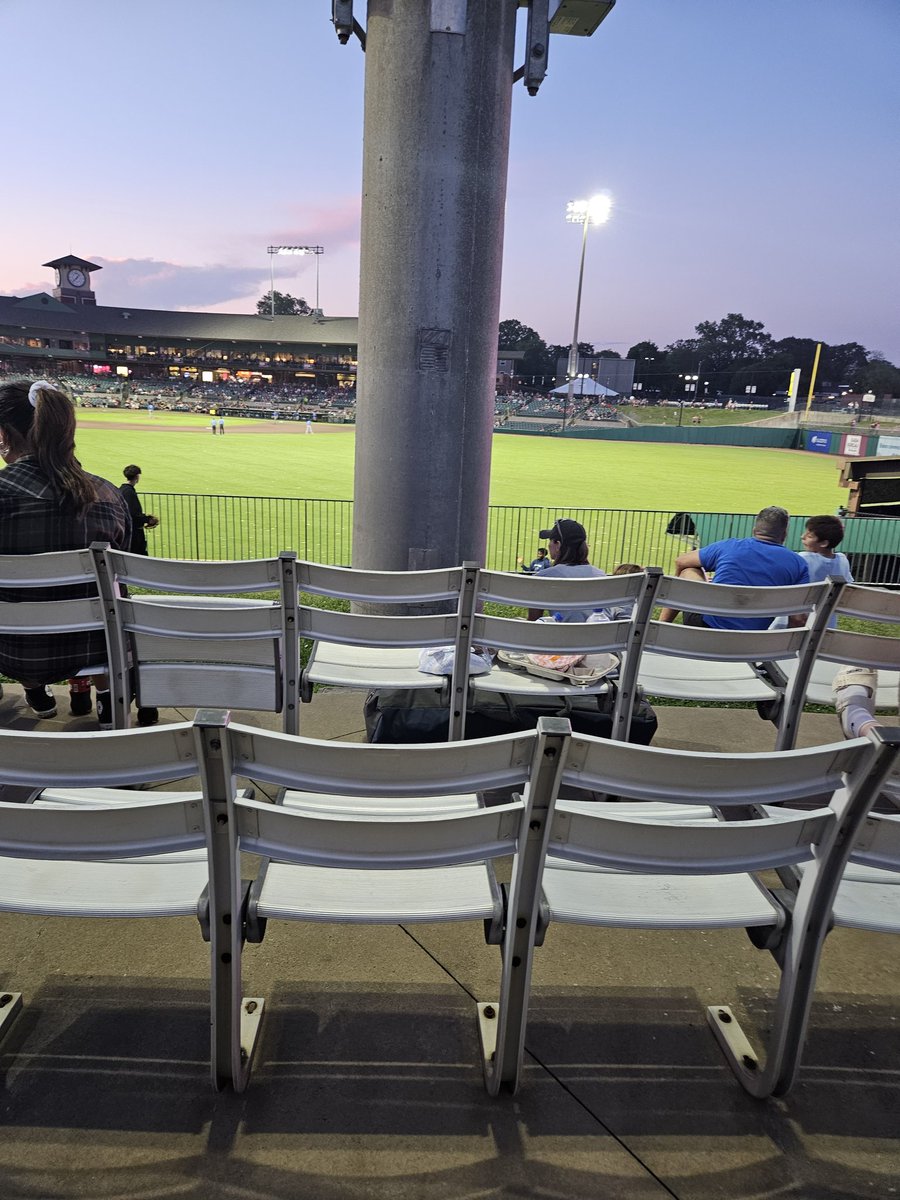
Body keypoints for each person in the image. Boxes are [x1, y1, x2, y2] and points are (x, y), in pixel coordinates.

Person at [0, 378, 131, 724]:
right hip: (93, 648)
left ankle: (34, 692)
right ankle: (108, 707)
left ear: (4, 435)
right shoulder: (107, 496)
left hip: (9, 649)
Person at [659, 505, 809, 630]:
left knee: (688, 570)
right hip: (752, 642)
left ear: (755, 530)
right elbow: (798, 620)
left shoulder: (730, 546)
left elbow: (681, 562)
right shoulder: (798, 564)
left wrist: (702, 588)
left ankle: (660, 627)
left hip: (706, 627)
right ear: (784, 534)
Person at [527, 517, 607, 622]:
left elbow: (533, 622)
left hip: (561, 637)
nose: (548, 545)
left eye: (550, 540)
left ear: (558, 545)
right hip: (602, 636)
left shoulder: (543, 577)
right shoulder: (600, 575)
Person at [120, 464, 159, 556]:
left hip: (127, 530)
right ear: (137, 476)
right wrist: (148, 519)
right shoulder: (129, 492)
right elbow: (133, 514)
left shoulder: (122, 490)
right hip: (134, 533)